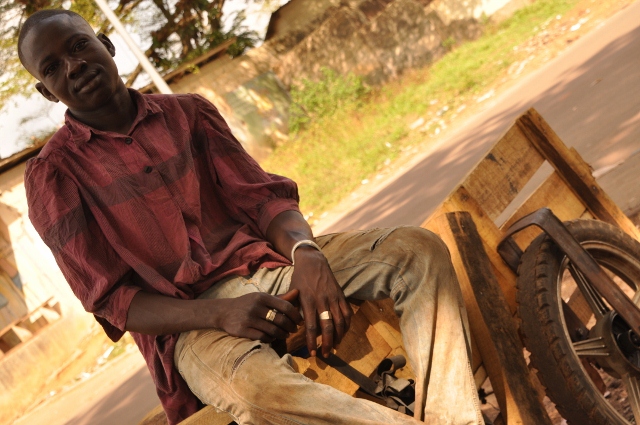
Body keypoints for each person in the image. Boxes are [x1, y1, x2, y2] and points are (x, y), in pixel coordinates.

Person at [18, 9, 483, 425]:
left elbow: (263, 201)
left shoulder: (190, 113)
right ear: (45, 91)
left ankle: (455, 418)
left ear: (106, 43)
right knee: (258, 394)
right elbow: (116, 301)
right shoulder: (53, 176)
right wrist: (221, 312)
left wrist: (306, 252)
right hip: (191, 327)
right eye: (52, 67)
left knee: (416, 250)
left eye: (79, 46)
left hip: (270, 271)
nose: (73, 66)